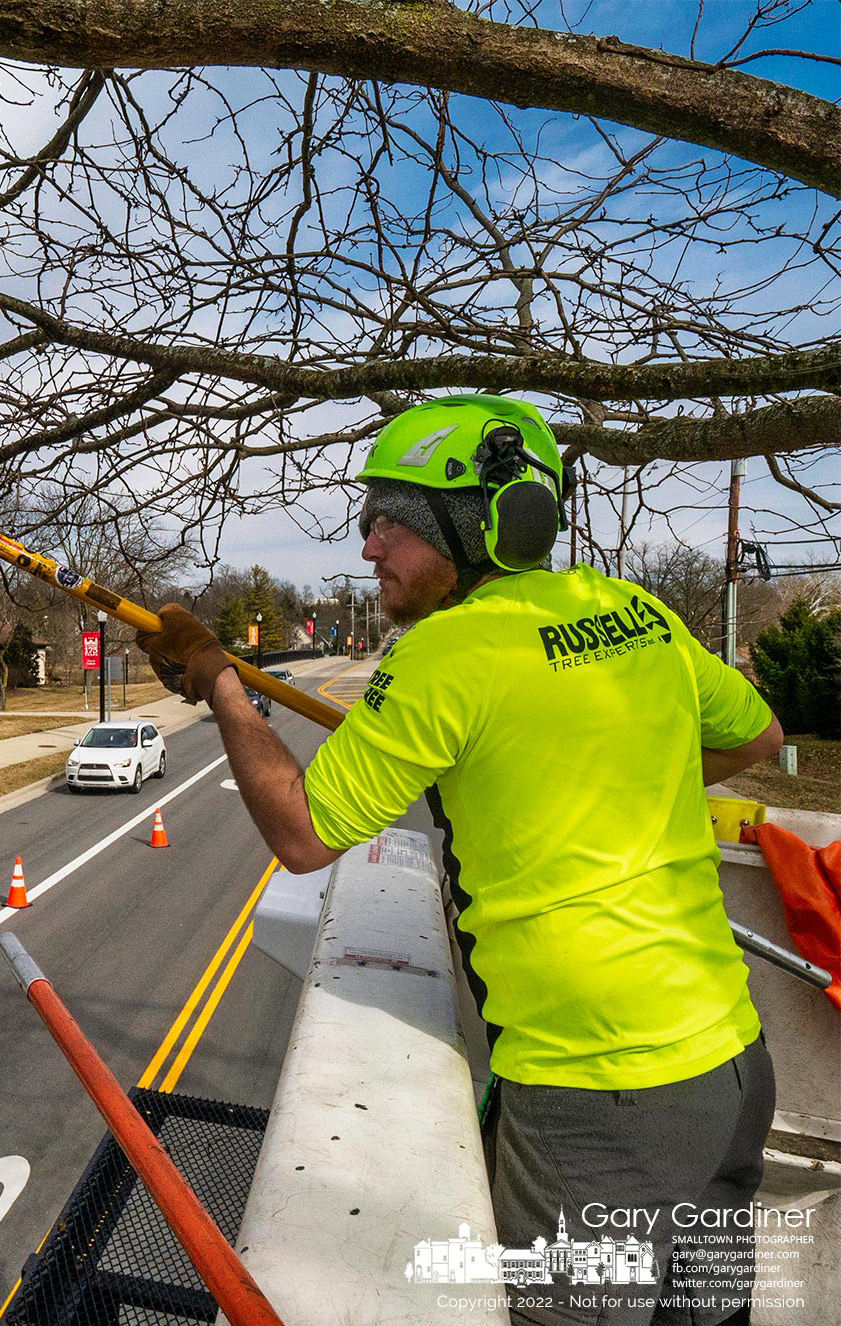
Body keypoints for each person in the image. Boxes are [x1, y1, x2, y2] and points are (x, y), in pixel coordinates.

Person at [140, 394, 784, 1326]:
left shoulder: (446, 654)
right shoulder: (628, 609)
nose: (367, 548)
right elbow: (758, 734)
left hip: (600, 1099)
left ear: (471, 525)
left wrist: (222, 684)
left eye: (387, 523)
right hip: (732, 1068)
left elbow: (300, 831)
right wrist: (597, 775)